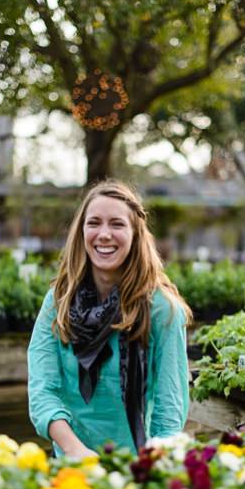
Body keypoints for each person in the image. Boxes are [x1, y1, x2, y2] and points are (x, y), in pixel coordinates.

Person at [27, 179, 193, 459]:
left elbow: (169, 409)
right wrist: (75, 450)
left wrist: (150, 469)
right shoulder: (58, 302)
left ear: (135, 234)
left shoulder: (162, 310)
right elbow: (43, 390)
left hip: (138, 466)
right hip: (73, 463)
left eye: (117, 224)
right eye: (94, 223)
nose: (104, 234)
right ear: (81, 232)